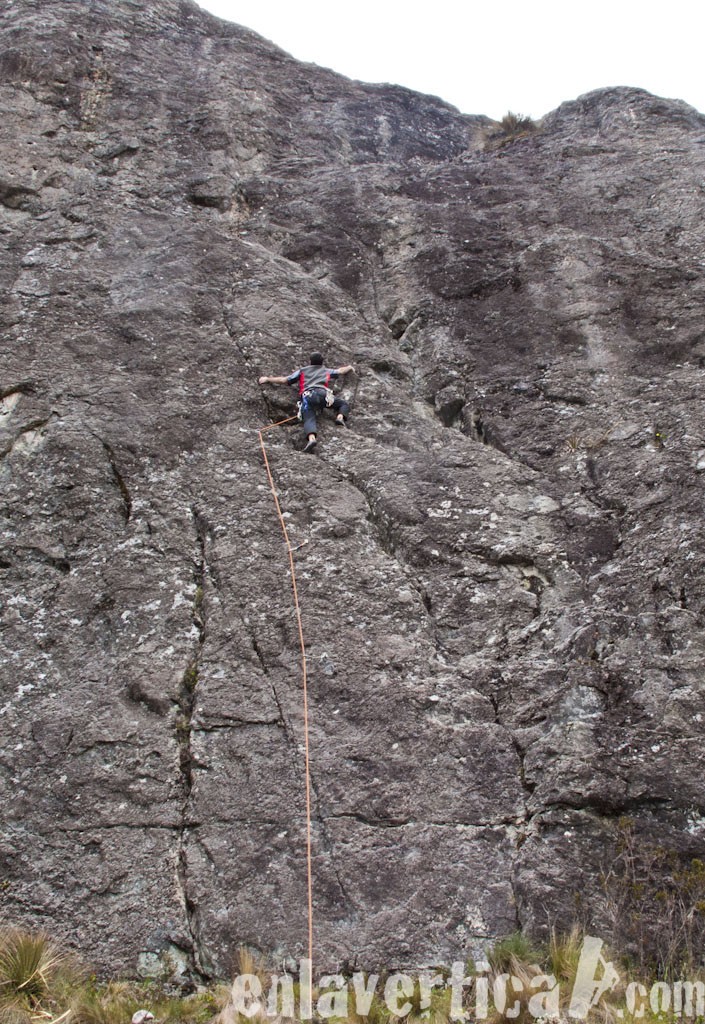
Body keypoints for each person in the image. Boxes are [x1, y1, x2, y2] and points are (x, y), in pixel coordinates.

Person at [259, 352, 354, 453]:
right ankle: (340, 417)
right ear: (322, 362)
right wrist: (349, 367)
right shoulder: (325, 370)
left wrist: (268, 379)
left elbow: (285, 380)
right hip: (323, 395)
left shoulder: (303, 371)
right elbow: (340, 371)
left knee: (309, 417)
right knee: (343, 404)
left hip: (308, 396)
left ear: (311, 362)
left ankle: (312, 439)